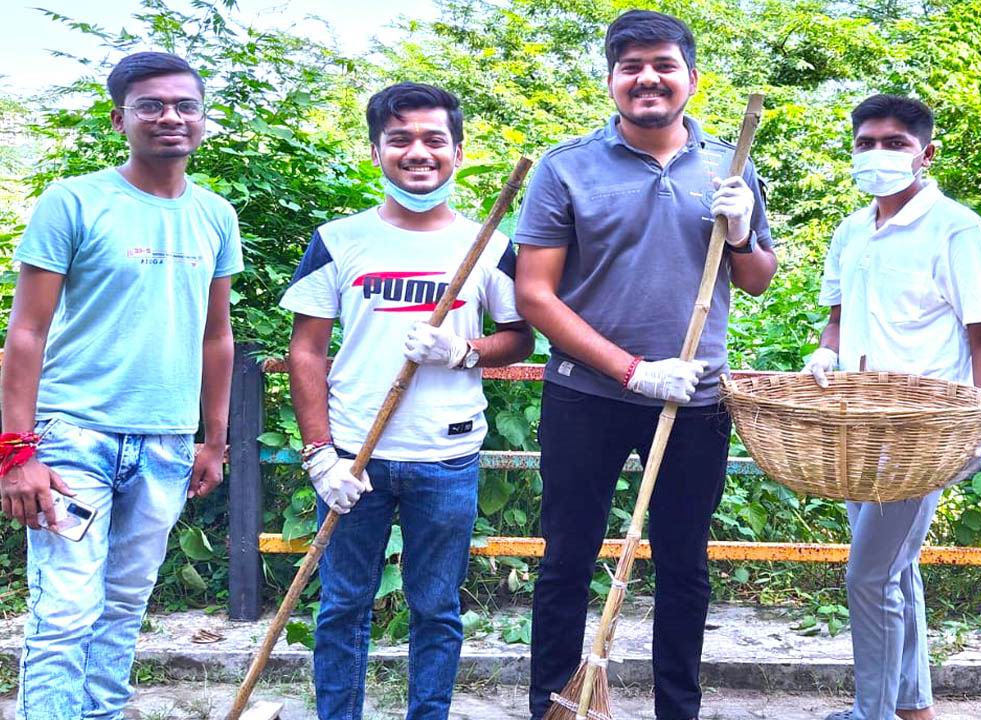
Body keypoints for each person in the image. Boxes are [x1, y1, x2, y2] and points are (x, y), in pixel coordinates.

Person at [513, 9, 777, 719]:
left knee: (684, 564)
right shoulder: (566, 167)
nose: (647, 78)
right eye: (630, 67)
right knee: (567, 559)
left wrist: (743, 231)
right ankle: (553, 706)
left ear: (691, 77)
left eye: (663, 65)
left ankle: (677, 710)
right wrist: (631, 369)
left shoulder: (731, 165)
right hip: (586, 396)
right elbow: (535, 294)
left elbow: (757, 279)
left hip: (695, 400)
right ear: (611, 80)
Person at [280, 82, 533, 720]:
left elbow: (519, 338)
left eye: (433, 139)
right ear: (376, 152)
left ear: (457, 151)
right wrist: (319, 455)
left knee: (436, 607)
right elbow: (306, 351)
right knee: (342, 604)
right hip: (352, 457)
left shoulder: (489, 244)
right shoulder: (338, 239)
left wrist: (463, 350)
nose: (417, 151)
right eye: (400, 139)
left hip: (447, 456)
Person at [0, 52, 241, 719]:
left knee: (126, 603)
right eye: (151, 106)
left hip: (166, 443)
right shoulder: (74, 201)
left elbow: (216, 336)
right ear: (119, 119)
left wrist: (213, 441)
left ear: (202, 119)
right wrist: (16, 451)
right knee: (67, 608)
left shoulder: (215, 214)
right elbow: (26, 333)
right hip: (73, 437)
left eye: (185, 105)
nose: (171, 117)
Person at [802, 94, 981, 720]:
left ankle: (873, 714)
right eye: (866, 143)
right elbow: (837, 319)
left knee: (868, 577)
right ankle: (913, 706)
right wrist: (825, 352)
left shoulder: (958, 230)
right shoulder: (851, 230)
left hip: (922, 432)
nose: (878, 154)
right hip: (858, 425)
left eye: (895, 143)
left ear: (926, 153)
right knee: (895, 570)